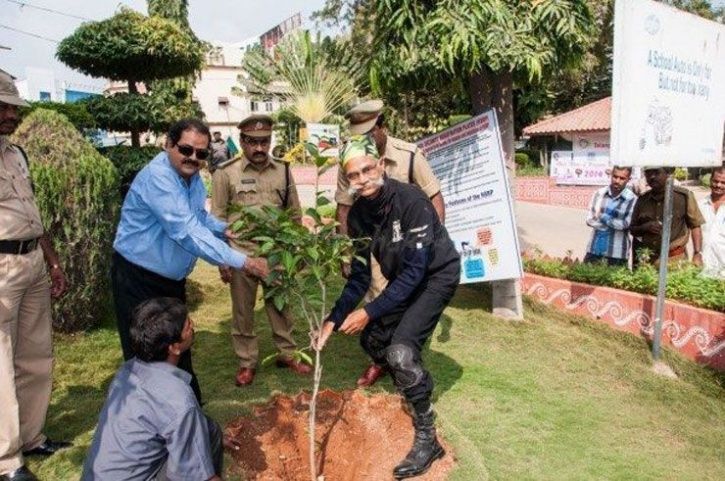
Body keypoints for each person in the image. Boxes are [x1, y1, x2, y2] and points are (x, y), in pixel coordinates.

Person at [315, 135, 460, 479]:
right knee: (372, 342)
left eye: (368, 169)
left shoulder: (411, 200)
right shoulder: (360, 216)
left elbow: (415, 271)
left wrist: (367, 312)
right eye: (354, 175)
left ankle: (428, 437)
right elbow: (360, 277)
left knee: (399, 353)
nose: (363, 179)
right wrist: (333, 320)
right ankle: (417, 379)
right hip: (406, 278)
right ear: (346, 179)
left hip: (435, 275)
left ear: (381, 165)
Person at [112, 118, 269, 403]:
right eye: (186, 149)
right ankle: (154, 427)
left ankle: (188, 415)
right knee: (147, 357)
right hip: (139, 279)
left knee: (178, 346)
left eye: (201, 153)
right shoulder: (159, 178)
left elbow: (197, 217)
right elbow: (186, 232)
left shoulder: (191, 177)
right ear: (168, 145)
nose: (193, 158)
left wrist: (224, 229)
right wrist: (243, 262)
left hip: (169, 281)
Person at [335, 99, 446, 388]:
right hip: (374, 245)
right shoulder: (349, 158)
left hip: (409, 243)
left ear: (383, 126)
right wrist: (348, 253)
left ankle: (406, 361)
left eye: (370, 133)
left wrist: (430, 243)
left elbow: (433, 197)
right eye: (358, 135)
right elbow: (345, 207)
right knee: (376, 303)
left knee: (409, 304)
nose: (364, 140)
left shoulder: (409, 156)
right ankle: (379, 361)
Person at [0, 69, 71, 481]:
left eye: (14, 107)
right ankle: (8, 462)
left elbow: (33, 214)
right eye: (4, 107)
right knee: (1, 362)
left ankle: (32, 436)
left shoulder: (16, 154)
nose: (12, 114)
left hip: (32, 263)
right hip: (2, 268)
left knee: (36, 355)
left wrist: (54, 261)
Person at [81, 297, 240, 481]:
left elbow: (171, 418)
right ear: (174, 348)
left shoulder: (126, 372)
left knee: (210, 431)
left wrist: (208, 440)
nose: (192, 325)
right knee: (195, 460)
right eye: (187, 325)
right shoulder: (179, 399)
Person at [212, 114, 310, 387]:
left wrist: (295, 251)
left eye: (264, 141)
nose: (258, 148)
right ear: (242, 141)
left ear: (270, 140)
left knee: (281, 307)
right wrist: (223, 259)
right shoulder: (225, 173)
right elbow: (218, 219)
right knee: (243, 312)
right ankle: (246, 362)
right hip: (240, 255)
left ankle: (287, 354)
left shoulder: (283, 170)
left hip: (277, 254)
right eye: (252, 142)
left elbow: (294, 214)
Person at [630, 167, 705, 267]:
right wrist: (646, 227)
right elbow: (632, 229)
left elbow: (695, 225)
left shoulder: (684, 197)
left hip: (675, 262)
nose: (652, 177)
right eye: (648, 173)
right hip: (648, 263)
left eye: (656, 172)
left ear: (667, 174)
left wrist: (697, 253)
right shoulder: (642, 200)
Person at [584, 166, 637, 267]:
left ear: (628, 179)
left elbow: (625, 224)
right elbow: (590, 219)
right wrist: (613, 223)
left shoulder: (632, 199)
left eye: (622, 178)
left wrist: (604, 218)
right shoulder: (599, 194)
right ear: (611, 175)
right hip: (594, 250)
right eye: (615, 176)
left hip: (617, 253)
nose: (617, 181)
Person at [698, 166, 725, 279]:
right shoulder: (699, 205)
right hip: (702, 271)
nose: (718, 185)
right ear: (710, 181)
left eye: (723, 182)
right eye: (715, 181)